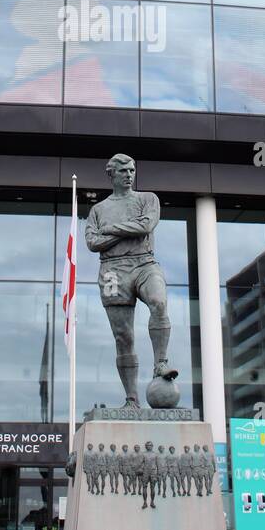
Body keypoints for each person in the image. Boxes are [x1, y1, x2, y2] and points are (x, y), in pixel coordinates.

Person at [85, 153, 177, 408]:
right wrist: (128, 229)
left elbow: (147, 225)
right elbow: (93, 243)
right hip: (113, 270)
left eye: (132, 170)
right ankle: (131, 399)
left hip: (144, 262)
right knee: (123, 336)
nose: (129, 175)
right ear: (111, 174)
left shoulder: (148, 199)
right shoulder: (98, 209)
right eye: (123, 171)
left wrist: (111, 229)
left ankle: (161, 362)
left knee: (158, 301)